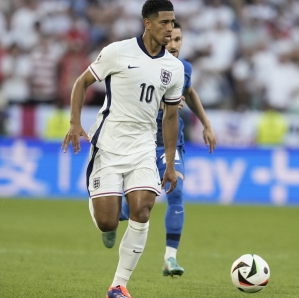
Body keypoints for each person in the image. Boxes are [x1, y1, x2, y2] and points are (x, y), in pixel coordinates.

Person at [61, 1, 184, 297]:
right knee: (107, 221)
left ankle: (118, 285)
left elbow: (170, 117)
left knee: (142, 208)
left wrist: (168, 164)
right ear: (148, 23)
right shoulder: (118, 51)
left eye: (173, 22)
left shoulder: (174, 68)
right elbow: (82, 82)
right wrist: (75, 123)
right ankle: (107, 219)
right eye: (165, 22)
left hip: (143, 148)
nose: (170, 29)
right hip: (109, 146)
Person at [104, 21, 217, 278]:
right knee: (142, 205)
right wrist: (165, 106)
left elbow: (190, 92)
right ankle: (112, 218)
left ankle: (170, 258)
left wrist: (207, 124)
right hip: (141, 142)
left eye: (179, 40)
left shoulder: (182, 69)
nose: (174, 44)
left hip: (169, 144)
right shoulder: (144, 65)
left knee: (176, 192)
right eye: (171, 39)